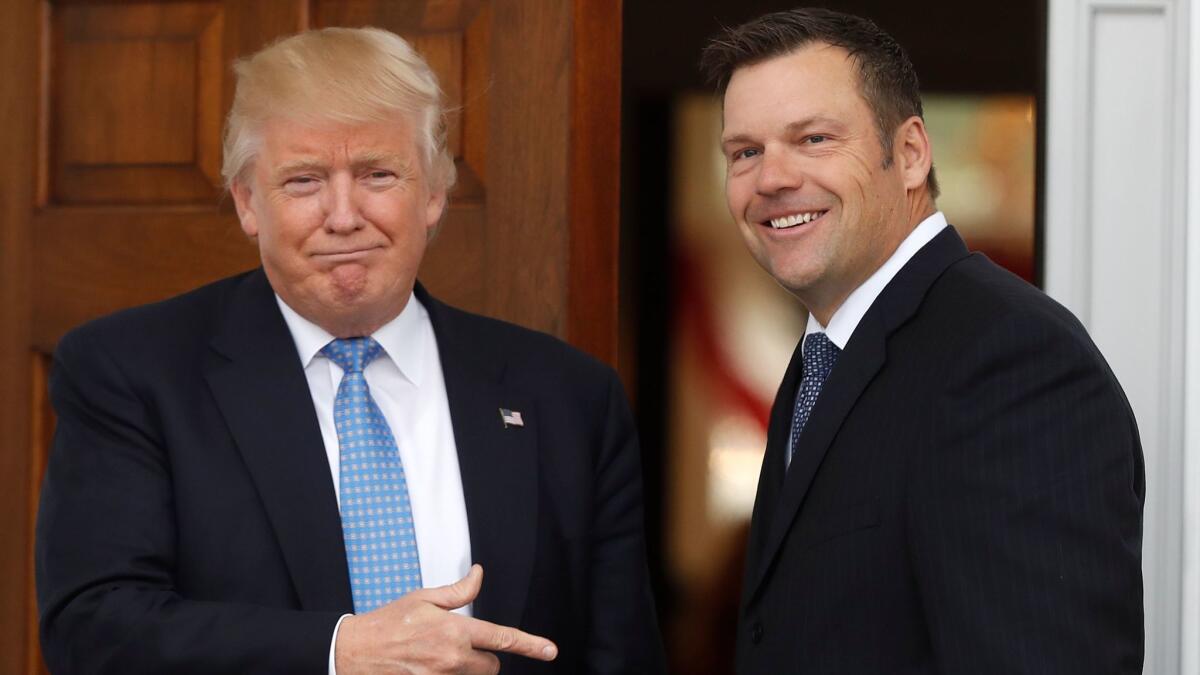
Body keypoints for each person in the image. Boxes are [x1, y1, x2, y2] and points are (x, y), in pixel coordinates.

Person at [36, 27, 665, 675]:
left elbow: (621, 654)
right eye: (304, 180)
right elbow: (93, 628)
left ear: (434, 192)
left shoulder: (568, 396)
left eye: (378, 173)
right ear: (250, 202)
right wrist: (340, 650)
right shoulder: (133, 373)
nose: (343, 215)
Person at [701, 8, 1144, 674]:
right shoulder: (826, 356)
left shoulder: (1010, 360)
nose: (772, 178)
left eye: (814, 138)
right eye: (745, 152)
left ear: (909, 154)